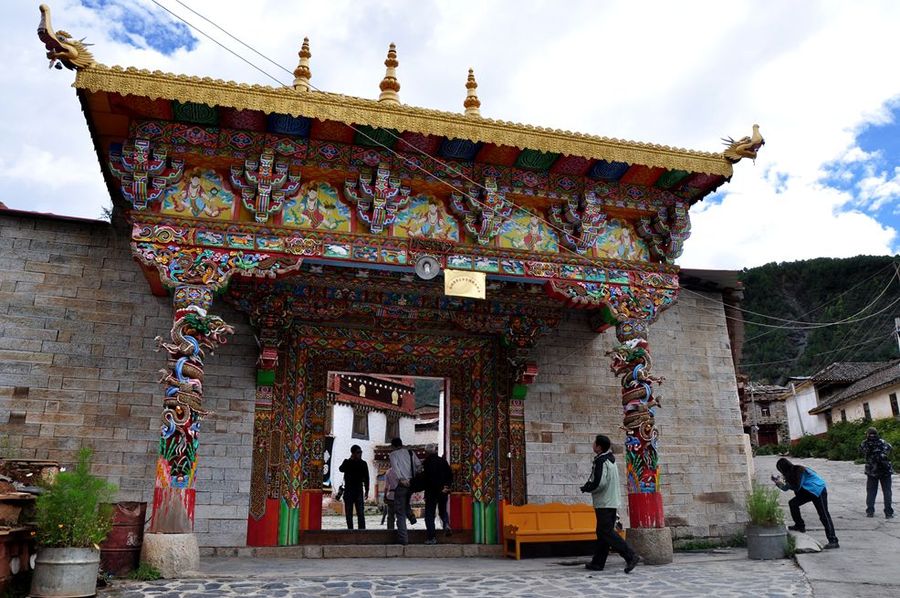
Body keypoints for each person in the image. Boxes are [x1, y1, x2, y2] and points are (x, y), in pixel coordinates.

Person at [580, 434, 640, 573]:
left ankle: (630, 555)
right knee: (602, 533)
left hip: (604, 502)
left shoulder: (601, 461)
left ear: (599, 447)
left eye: (595, 443)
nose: (593, 445)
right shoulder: (611, 460)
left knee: (606, 532)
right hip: (612, 501)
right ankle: (597, 563)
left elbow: (600, 482)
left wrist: (588, 488)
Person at [772, 457, 839, 549]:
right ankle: (800, 526)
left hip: (818, 490)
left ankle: (833, 540)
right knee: (793, 503)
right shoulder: (789, 474)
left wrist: (785, 483)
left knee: (824, 515)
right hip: (807, 492)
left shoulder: (800, 470)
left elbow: (797, 486)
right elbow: (785, 488)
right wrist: (777, 483)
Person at [388, 437, 421, 546]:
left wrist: (402, 479)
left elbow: (396, 468)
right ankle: (411, 516)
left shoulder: (393, 455)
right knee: (405, 503)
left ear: (393, 446)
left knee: (400, 512)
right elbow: (419, 466)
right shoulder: (411, 452)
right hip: (412, 483)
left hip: (402, 484)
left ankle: (403, 539)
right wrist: (414, 477)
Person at [422, 443, 453, 544]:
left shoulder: (426, 463)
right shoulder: (443, 461)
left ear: (426, 452)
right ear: (435, 451)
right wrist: (446, 487)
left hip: (431, 492)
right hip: (443, 491)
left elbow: (425, 479)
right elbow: (450, 475)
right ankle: (446, 524)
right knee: (443, 511)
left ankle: (432, 538)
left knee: (429, 515)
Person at [860, 427, 894, 519]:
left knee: (871, 491)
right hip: (885, 470)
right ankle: (888, 513)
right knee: (887, 492)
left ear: (867, 434)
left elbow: (862, 451)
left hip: (872, 471)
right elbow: (890, 448)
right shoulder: (882, 442)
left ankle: (870, 511)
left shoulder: (864, 443)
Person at [338, 444, 369, 530]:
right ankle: (350, 530)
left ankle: (362, 531)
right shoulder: (347, 462)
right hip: (348, 490)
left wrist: (367, 490)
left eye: (361, 452)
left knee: (361, 513)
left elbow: (367, 477)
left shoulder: (363, 463)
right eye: (358, 452)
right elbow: (341, 469)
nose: (360, 454)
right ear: (353, 453)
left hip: (359, 490)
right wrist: (349, 460)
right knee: (349, 513)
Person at [382, 466, 399, 530]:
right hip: (400, 497)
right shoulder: (403, 471)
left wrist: (385, 496)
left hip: (391, 497)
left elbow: (386, 486)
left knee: (390, 517)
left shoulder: (389, 472)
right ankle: (400, 532)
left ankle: (390, 532)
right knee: (400, 517)